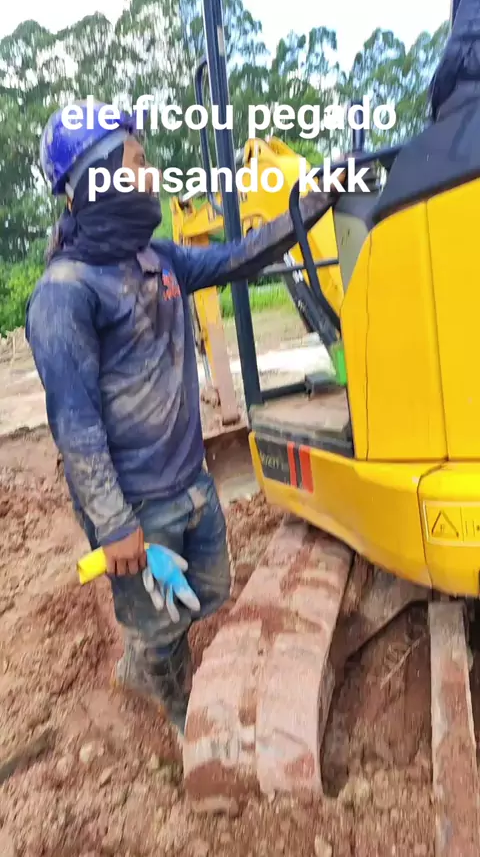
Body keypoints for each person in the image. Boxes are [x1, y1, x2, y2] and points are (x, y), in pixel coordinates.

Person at [26, 101, 335, 738]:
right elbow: (76, 428)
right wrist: (115, 526)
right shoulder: (66, 293)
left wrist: (313, 201)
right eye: (138, 162)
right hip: (137, 505)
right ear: (97, 177)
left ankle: (153, 654)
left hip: (191, 480)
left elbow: (241, 257)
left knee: (210, 591)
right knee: (160, 624)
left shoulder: (159, 260)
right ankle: (168, 693)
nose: (153, 175)